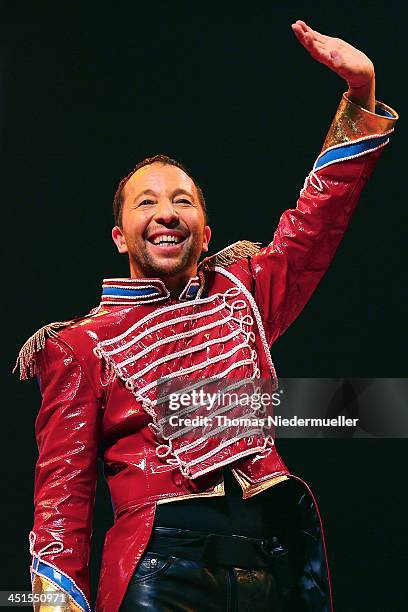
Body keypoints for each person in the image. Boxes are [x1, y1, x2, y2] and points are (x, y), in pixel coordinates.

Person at [15, 20, 398, 612]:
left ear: (206, 232)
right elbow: (62, 502)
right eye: (147, 203)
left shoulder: (243, 292)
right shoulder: (80, 345)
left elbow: (315, 226)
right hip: (160, 573)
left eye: (182, 201)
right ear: (120, 237)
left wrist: (361, 93)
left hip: (275, 566)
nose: (166, 213)